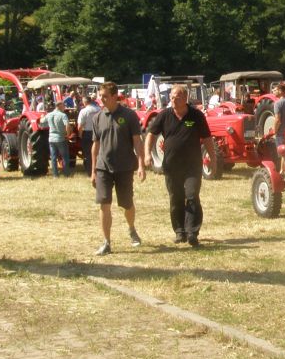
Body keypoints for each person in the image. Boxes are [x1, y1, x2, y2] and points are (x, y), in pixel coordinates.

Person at [145, 84, 211, 247]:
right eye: (172, 97)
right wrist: (147, 154)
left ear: (185, 98)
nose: (173, 99)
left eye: (177, 97)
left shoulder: (196, 115)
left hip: (192, 166)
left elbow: (207, 138)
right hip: (172, 165)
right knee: (176, 198)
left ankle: (192, 232)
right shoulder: (164, 115)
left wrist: (213, 158)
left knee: (192, 195)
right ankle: (179, 231)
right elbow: (151, 135)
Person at [90, 81, 145, 255]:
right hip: (103, 168)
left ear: (115, 96)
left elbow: (137, 141)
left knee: (126, 204)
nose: (102, 99)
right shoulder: (97, 117)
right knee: (104, 204)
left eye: (105, 96)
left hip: (125, 167)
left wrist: (141, 165)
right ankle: (107, 242)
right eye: (100, 96)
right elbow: (95, 146)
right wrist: (93, 171)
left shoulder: (129, 116)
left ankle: (131, 229)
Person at [43, 99, 71, 178]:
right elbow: (67, 125)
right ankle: (66, 174)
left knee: (53, 157)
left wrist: (42, 116)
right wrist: (68, 135)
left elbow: (41, 121)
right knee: (64, 156)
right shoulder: (63, 115)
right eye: (63, 105)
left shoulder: (49, 114)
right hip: (60, 138)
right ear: (59, 106)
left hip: (51, 138)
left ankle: (55, 175)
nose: (64, 107)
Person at [77, 95, 101, 177]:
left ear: (84, 102)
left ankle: (90, 172)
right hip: (98, 133)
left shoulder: (83, 111)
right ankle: (100, 170)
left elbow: (80, 126)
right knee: (99, 153)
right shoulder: (99, 109)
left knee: (88, 153)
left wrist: (80, 135)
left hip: (87, 133)